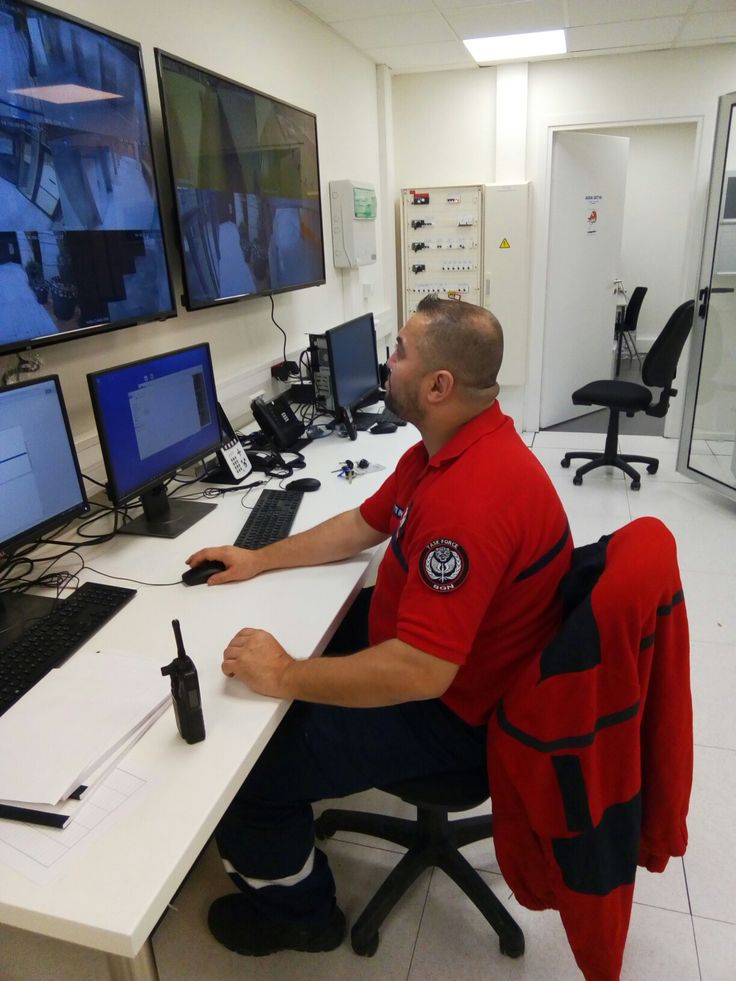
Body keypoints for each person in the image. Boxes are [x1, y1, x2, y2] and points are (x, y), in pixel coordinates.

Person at [186, 295, 573, 957]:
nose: (384, 365)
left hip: (451, 713)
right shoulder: (446, 447)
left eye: (397, 352)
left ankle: (302, 916)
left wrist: (285, 672)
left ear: (438, 385)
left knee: (252, 772)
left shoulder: (470, 499)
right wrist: (260, 558)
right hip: (442, 655)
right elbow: (365, 521)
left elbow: (420, 671)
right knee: (293, 646)